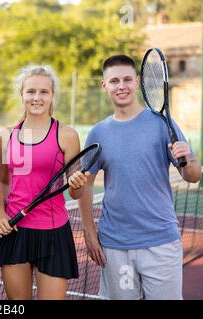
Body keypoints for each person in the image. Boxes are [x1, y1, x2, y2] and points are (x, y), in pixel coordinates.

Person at [78, 54, 201, 300]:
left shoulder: (162, 124)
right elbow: (85, 187)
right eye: (114, 81)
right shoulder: (98, 133)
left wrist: (189, 159)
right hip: (116, 245)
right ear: (105, 86)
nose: (121, 86)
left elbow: (193, 176)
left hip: (160, 242)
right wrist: (90, 234)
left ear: (137, 82)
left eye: (126, 79)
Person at [0, 64, 89, 300]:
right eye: (31, 91)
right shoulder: (6, 136)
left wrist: (77, 183)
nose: (37, 97)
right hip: (15, 230)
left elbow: (75, 193)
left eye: (44, 92)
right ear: (22, 95)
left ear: (52, 96)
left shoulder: (66, 135)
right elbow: (3, 184)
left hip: (53, 232)